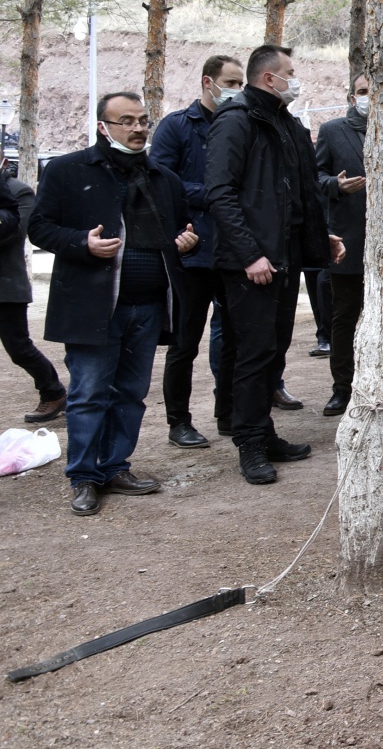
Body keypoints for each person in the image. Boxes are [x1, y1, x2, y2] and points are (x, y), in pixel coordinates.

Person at [30, 93, 195, 515]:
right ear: (103, 126)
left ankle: (115, 467)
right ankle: (84, 477)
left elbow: (180, 233)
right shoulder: (67, 170)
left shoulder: (164, 178)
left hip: (149, 306)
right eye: (126, 121)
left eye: (143, 120)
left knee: (131, 394)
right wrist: (80, 243)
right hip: (92, 306)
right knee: (88, 394)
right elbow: (40, 227)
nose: (138, 128)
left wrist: (188, 243)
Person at [207, 44, 341, 485]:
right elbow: (221, 193)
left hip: (284, 259)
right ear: (268, 78)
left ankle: (264, 432)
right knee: (253, 353)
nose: (295, 79)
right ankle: (249, 443)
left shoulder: (287, 123)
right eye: (290, 72)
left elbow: (301, 194)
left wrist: (322, 239)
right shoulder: (237, 120)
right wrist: (250, 254)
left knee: (273, 351)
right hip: (252, 263)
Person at [151, 54, 241, 448]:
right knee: (185, 342)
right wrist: (216, 197)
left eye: (241, 83)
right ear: (208, 82)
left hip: (234, 250)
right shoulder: (176, 126)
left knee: (234, 338)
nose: (237, 91)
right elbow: (160, 182)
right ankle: (179, 422)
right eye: (231, 82)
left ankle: (228, 413)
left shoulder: (240, 124)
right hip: (191, 251)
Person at [315, 73, 370, 416]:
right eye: (363, 92)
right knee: (344, 315)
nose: (369, 98)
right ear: (352, 97)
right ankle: (342, 388)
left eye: (374, 92)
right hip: (348, 239)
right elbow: (315, 176)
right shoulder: (333, 131)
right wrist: (336, 184)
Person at [1, 173, 65, 422]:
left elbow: (15, 231)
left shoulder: (19, 191)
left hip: (6, 285)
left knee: (19, 348)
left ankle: (54, 392)